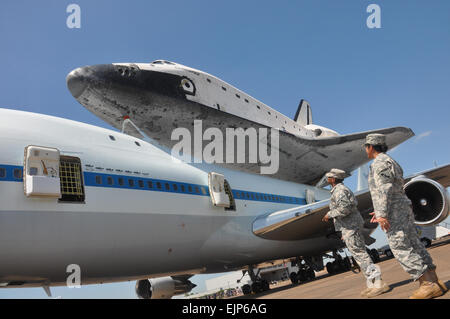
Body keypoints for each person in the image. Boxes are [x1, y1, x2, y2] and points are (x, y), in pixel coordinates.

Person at [365, 133, 448, 299]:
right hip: (402, 208)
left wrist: (382, 213)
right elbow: (393, 189)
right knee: (414, 244)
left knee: (401, 247)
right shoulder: (391, 161)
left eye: (366, 147)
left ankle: (427, 285)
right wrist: (381, 209)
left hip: (395, 212)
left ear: (371, 147)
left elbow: (385, 189)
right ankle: (435, 281)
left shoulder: (380, 163)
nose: (366, 150)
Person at [322, 168, 389, 298]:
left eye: (329, 177)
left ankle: (378, 284)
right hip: (348, 227)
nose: (327, 179)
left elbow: (345, 208)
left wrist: (329, 214)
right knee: (359, 255)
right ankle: (372, 284)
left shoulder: (340, 190)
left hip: (351, 226)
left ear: (334, 179)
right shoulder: (339, 190)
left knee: (361, 254)